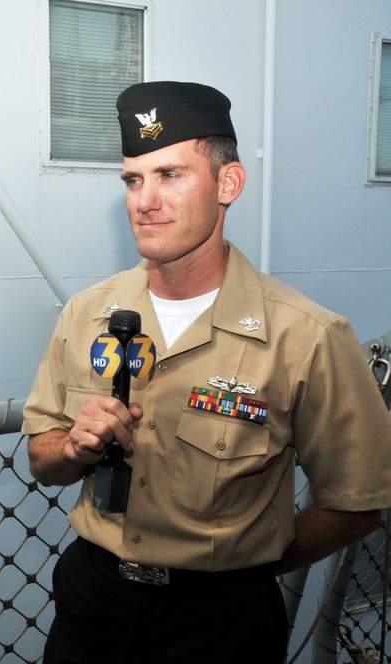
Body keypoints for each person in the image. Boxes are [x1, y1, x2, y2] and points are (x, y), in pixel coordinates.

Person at [22, 80, 391, 663]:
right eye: (133, 179)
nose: (145, 200)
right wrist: (73, 448)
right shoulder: (86, 314)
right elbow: (42, 457)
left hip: (221, 624)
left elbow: (356, 505)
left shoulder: (308, 337)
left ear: (228, 183)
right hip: (93, 604)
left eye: (170, 175)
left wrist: (249, 562)